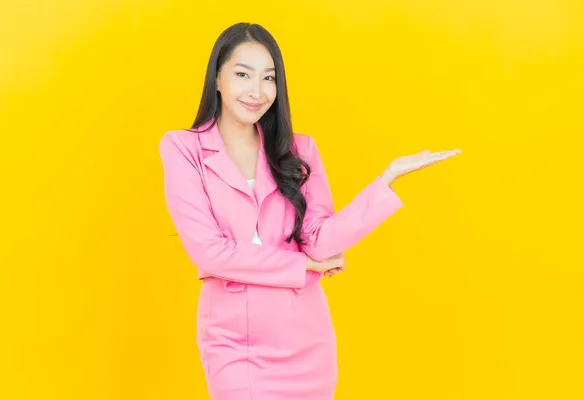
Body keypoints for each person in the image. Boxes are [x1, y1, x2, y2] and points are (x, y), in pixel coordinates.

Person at [159, 22, 461, 400]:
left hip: (306, 341)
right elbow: (209, 252)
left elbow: (318, 242)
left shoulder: (299, 150)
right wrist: (299, 266)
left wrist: (385, 181)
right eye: (242, 74)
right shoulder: (183, 148)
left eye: (269, 78)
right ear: (216, 77)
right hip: (234, 345)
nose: (256, 91)